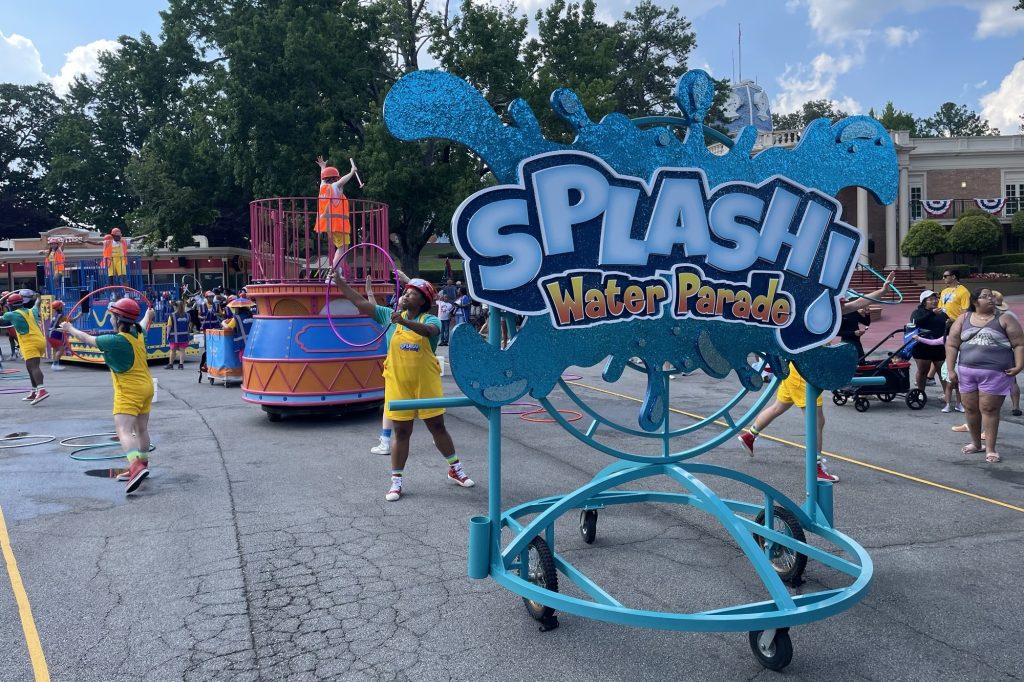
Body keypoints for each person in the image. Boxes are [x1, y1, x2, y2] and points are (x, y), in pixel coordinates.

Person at [328, 265, 473, 501]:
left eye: (412, 294)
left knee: (438, 427)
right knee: (401, 432)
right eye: (405, 292)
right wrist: (340, 283)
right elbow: (360, 303)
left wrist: (404, 323)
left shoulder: (430, 319)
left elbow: (429, 331)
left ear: (423, 301)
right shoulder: (389, 316)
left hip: (426, 385)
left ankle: (454, 468)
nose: (405, 296)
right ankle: (396, 481)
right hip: (398, 384)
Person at [738, 273, 896, 482]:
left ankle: (750, 435)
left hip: (799, 368)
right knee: (816, 420)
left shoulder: (828, 308)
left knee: (779, 406)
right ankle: (816, 467)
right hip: (804, 370)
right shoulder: (809, 309)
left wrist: (882, 291)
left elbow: (858, 303)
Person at [62, 298, 155, 493]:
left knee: (123, 430)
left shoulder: (115, 341)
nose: (110, 319)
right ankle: (143, 464)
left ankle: (135, 466)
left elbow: (86, 339)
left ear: (118, 319)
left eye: (112, 316)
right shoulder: (138, 332)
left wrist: (69, 328)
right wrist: (149, 314)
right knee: (141, 429)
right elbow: (144, 322)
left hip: (129, 390)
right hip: (147, 387)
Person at [946, 288, 1024, 463]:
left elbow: (1019, 343)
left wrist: (1019, 365)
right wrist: (951, 369)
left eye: (991, 296)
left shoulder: (1005, 318)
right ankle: (976, 443)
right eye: (985, 296)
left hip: (995, 373)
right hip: (967, 371)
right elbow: (952, 344)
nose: (990, 299)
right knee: (970, 408)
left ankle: (990, 448)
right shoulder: (963, 318)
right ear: (975, 302)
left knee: (989, 409)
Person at [2, 290, 50, 404]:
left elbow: (3, 317)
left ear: (10, 305)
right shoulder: (32, 311)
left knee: (34, 367)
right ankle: (34, 391)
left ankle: (42, 390)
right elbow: (37, 303)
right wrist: (38, 296)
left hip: (30, 343)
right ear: (22, 302)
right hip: (40, 341)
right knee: (30, 367)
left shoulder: (11, 314)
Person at [909, 290, 949, 407]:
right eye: (930, 299)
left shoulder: (941, 313)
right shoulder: (917, 312)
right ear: (924, 302)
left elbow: (947, 326)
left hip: (938, 346)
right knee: (923, 371)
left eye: (935, 299)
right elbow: (915, 323)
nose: (934, 301)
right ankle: (920, 392)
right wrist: (931, 313)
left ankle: (946, 394)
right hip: (922, 346)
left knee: (942, 371)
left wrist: (949, 323)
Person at [314, 156, 358, 253]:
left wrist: (323, 167)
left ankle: (336, 263)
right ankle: (335, 264)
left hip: (326, 224)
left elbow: (323, 178)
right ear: (335, 178)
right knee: (343, 247)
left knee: (341, 247)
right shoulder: (334, 187)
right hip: (337, 224)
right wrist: (352, 172)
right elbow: (342, 182)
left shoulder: (323, 187)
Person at [991, 291, 1023, 416]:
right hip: (1008, 351)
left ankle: (993, 406)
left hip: (997, 352)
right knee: (1012, 380)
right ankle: (1016, 406)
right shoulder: (1010, 315)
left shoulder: (993, 317)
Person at [166, 299, 193, 370]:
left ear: (175, 307)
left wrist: (167, 335)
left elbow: (169, 326)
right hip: (184, 336)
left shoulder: (172, 315)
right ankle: (181, 365)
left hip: (174, 337)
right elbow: (190, 325)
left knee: (173, 350)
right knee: (182, 350)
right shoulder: (187, 315)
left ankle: (171, 365)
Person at [47, 300, 69, 370]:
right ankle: (55, 365)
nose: (63, 307)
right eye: (62, 306)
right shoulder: (61, 315)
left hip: (50, 334)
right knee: (61, 350)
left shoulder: (57, 315)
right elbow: (70, 321)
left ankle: (56, 364)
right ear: (60, 307)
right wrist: (79, 315)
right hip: (54, 334)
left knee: (57, 350)